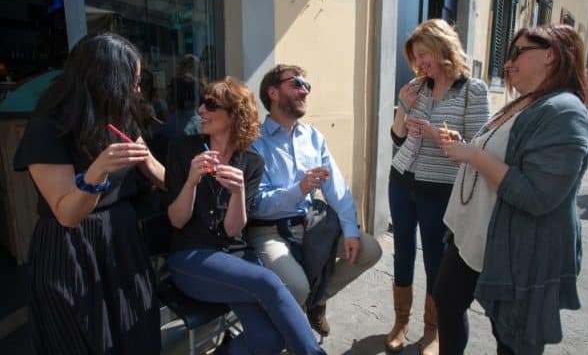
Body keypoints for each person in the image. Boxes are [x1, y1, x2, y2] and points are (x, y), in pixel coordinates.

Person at [436, 24, 588, 355]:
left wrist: (473, 155)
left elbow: (536, 196)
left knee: (512, 341)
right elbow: (498, 156)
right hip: (472, 237)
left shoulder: (565, 112)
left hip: (518, 251)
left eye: (518, 52)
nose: (507, 64)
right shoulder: (525, 102)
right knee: (447, 303)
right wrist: (466, 147)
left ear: (550, 54)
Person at [13, 33, 165, 354]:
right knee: (84, 339)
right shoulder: (48, 127)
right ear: (106, 78)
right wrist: (97, 172)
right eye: (132, 80)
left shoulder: (120, 118)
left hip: (120, 241)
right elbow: (67, 213)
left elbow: (153, 169)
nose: (137, 88)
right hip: (72, 250)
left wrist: (195, 177)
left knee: (134, 333)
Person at [165, 76, 326, 355]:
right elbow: (177, 221)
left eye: (211, 105)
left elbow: (231, 231)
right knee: (268, 282)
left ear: (235, 114)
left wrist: (239, 191)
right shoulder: (183, 150)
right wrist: (191, 181)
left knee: (269, 340)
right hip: (190, 257)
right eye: (202, 103)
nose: (201, 110)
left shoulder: (250, 162)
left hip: (235, 257)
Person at [247, 64, 383, 337]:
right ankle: (291, 320)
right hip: (270, 231)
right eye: (296, 83)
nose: (304, 90)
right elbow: (257, 204)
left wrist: (351, 231)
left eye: (307, 86)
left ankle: (316, 301)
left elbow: (337, 189)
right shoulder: (254, 142)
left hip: (312, 224)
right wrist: (299, 188)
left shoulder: (313, 137)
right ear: (273, 93)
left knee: (369, 250)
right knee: (296, 287)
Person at [386, 19, 490, 354]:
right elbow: (397, 137)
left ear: (442, 47)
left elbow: (477, 147)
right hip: (401, 180)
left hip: (440, 189)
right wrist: (403, 105)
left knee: (436, 260)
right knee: (402, 252)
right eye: (415, 58)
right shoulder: (417, 87)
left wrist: (437, 134)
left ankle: (432, 330)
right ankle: (401, 321)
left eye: (423, 55)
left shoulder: (473, 90)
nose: (419, 64)